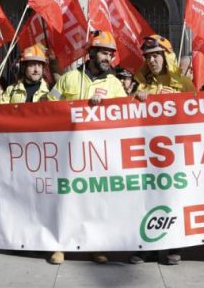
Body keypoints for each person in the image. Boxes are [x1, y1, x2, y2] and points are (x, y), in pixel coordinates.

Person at [46, 30, 127, 265]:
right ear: (90, 52)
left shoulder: (114, 84)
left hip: (99, 154)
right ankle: (59, 246)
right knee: (65, 200)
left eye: (110, 54)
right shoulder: (68, 79)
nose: (108, 58)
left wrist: (105, 108)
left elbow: (124, 115)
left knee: (95, 202)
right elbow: (48, 106)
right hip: (68, 152)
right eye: (103, 52)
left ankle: (96, 246)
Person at [130, 35, 195, 266]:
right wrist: (135, 98)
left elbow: (198, 114)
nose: (151, 60)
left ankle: (173, 247)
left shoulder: (183, 84)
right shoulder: (141, 85)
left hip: (176, 155)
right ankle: (147, 246)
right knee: (146, 199)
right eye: (148, 57)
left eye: (156, 55)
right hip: (147, 155)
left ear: (166, 57)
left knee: (174, 199)